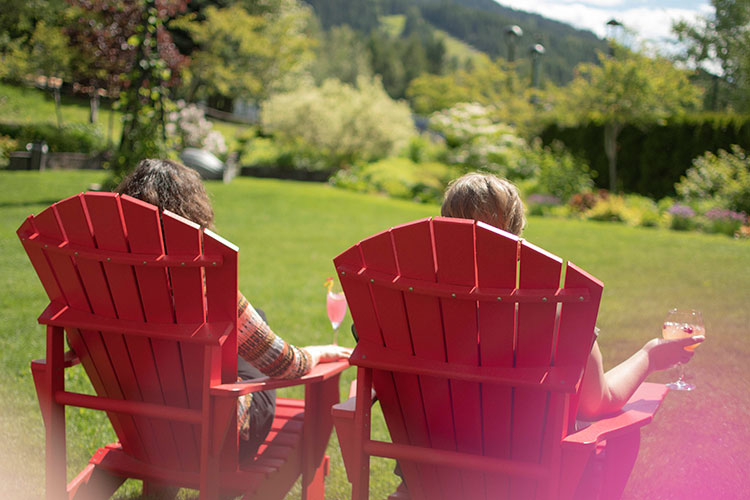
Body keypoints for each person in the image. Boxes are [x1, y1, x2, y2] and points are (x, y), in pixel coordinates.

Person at [116, 158, 352, 458]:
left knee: (236, 333)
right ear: (193, 212)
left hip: (142, 430)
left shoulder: (105, 281)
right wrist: (318, 353)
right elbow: (285, 365)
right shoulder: (203, 287)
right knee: (245, 327)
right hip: (218, 440)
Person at [441, 172, 704, 419]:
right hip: (525, 461)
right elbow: (594, 404)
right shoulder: (550, 310)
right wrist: (650, 356)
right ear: (517, 239)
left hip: (431, 461)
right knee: (625, 439)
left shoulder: (413, 304)